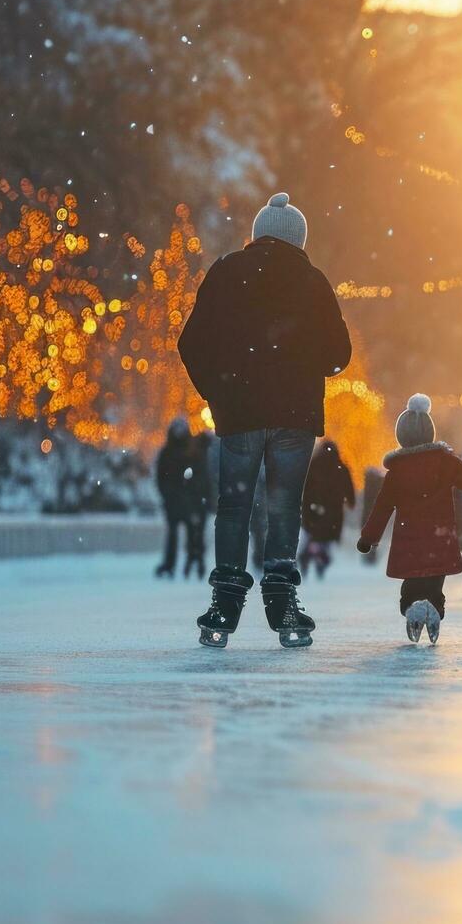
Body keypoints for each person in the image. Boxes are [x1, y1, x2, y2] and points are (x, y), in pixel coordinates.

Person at [178, 192, 351, 649]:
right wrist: (305, 363)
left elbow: (190, 343)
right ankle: (282, 598)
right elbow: (340, 355)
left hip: (240, 413)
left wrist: (219, 393)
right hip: (294, 416)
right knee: (283, 505)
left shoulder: (226, 272)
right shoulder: (313, 282)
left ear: (257, 234)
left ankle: (225, 600)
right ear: (298, 238)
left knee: (234, 506)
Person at [357, 395, 462, 644]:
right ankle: (434, 610)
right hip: (440, 538)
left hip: (409, 542)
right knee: (434, 586)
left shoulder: (397, 472)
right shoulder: (445, 461)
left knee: (411, 587)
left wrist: (368, 538)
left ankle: (413, 606)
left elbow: (382, 508)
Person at [153, 418, 211, 579]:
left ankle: (191, 562)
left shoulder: (189, 452)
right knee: (184, 534)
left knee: (191, 534)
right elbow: (161, 478)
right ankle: (183, 563)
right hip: (178, 501)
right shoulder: (178, 452)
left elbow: (199, 477)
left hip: (186, 501)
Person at [299, 438, 355, 580]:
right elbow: (349, 489)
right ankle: (320, 560)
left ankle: (309, 555)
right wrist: (351, 502)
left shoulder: (312, 465)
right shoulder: (341, 467)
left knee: (313, 536)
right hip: (333, 513)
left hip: (312, 510)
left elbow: (303, 487)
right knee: (326, 539)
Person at [359, 464, 385, 565]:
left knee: (368, 528)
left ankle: (368, 554)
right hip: (376, 512)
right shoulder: (380, 480)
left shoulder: (369, 480)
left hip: (368, 513)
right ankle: (371, 554)